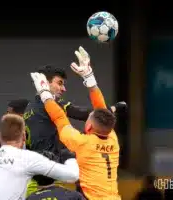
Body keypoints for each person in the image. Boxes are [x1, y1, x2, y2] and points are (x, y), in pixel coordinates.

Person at [30, 46, 122, 200]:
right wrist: (89, 77)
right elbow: (102, 110)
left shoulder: (81, 142)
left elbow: (59, 118)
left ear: (89, 126)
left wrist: (44, 93)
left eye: (88, 118)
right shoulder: (112, 139)